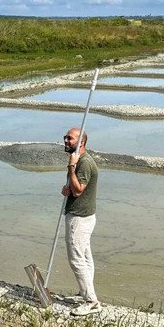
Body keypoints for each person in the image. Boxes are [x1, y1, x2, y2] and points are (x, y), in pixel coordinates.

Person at [61, 127, 100, 317]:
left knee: (76, 259)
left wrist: (71, 166)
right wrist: (66, 189)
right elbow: (74, 189)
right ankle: (84, 293)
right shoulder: (80, 161)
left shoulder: (82, 162)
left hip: (79, 218)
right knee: (85, 257)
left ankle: (92, 301)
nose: (65, 141)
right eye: (65, 138)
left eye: (70, 138)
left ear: (81, 142)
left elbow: (78, 191)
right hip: (84, 215)